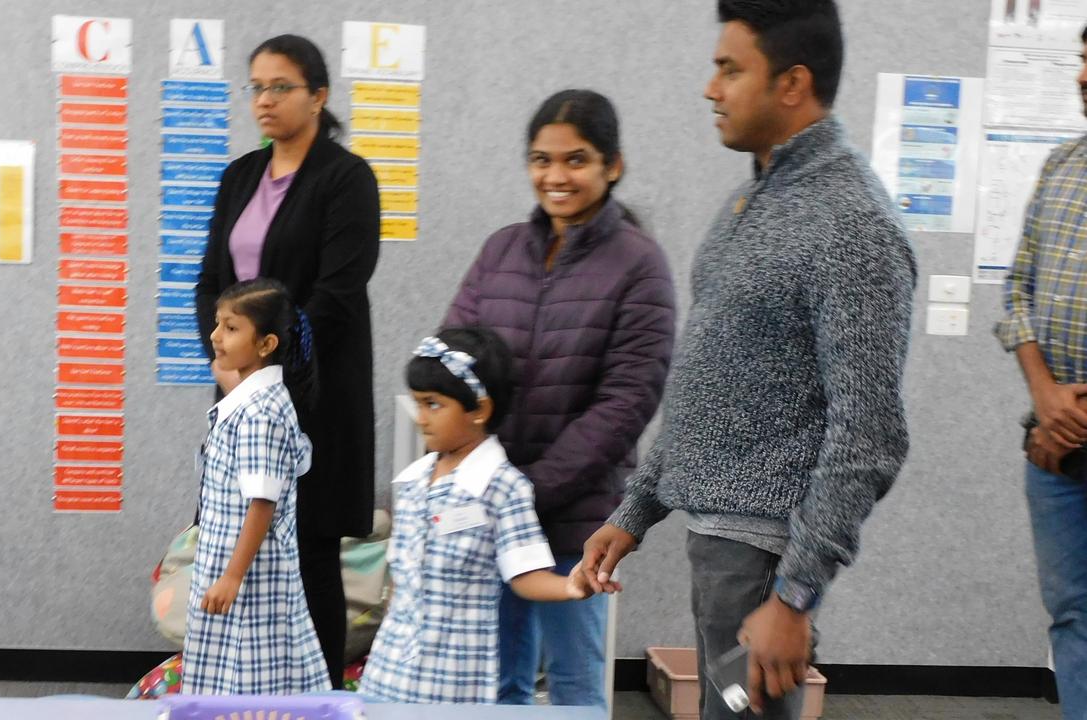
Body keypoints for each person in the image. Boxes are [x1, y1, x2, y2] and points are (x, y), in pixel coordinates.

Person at [578, 2, 916, 718]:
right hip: (719, 543)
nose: (710, 88)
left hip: (763, 560)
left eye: (729, 69)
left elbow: (869, 434)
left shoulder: (853, 224)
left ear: (791, 83)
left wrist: (794, 594)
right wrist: (636, 508)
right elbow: (708, 373)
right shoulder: (752, 200)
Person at [443, 89, 675, 708]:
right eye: (542, 159)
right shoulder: (501, 250)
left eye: (576, 160)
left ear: (612, 166)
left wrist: (527, 489)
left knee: (574, 685)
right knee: (495, 682)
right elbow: (453, 359)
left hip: (578, 516)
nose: (556, 176)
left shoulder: (639, 264)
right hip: (494, 506)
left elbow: (626, 403)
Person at [194, 34, 380, 688]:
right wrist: (225, 359)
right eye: (257, 87)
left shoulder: (346, 178)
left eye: (280, 87)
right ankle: (238, 693)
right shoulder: (238, 175)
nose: (265, 100)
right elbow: (209, 282)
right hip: (239, 394)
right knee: (234, 543)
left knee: (308, 555)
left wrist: (267, 368)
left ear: (318, 96)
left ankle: (321, 696)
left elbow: (338, 292)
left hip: (315, 396)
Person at [359, 329, 591, 704]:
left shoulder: (503, 487)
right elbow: (400, 584)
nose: (421, 418)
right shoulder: (414, 481)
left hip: (454, 676)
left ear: (479, 410)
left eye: (433, 405)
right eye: (418, 404)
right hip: (389, 666)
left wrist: (572, 586)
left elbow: (525, 576)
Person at [994, 24, 1087, 719]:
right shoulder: (1059, 165)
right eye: (1083, 63)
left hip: (1068, 426)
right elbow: (1015, 292)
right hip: (1053, 449)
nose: (1082, 78)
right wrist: (1046, 396)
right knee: (1070, 617)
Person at [183, 279, 328, 696]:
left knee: (252, 678)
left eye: (230, 328)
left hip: (250, 575)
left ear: (265, 345)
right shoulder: (257, 401)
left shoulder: (260, 415)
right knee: (230, 670)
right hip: (234, 565)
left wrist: (231, 576)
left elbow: (261, 504)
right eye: (217, 324)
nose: (215, 336)